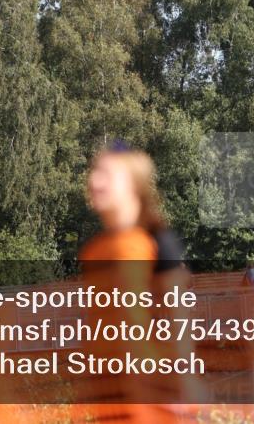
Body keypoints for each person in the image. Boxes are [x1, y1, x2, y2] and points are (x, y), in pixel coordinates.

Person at [79, 143, 196, 423]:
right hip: (105, 390)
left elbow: (178, 318)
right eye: (95, 172)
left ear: (133, 185)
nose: (94, 181)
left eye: (106, 174)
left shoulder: (158, 242)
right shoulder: (94, 250)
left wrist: (186, 379)